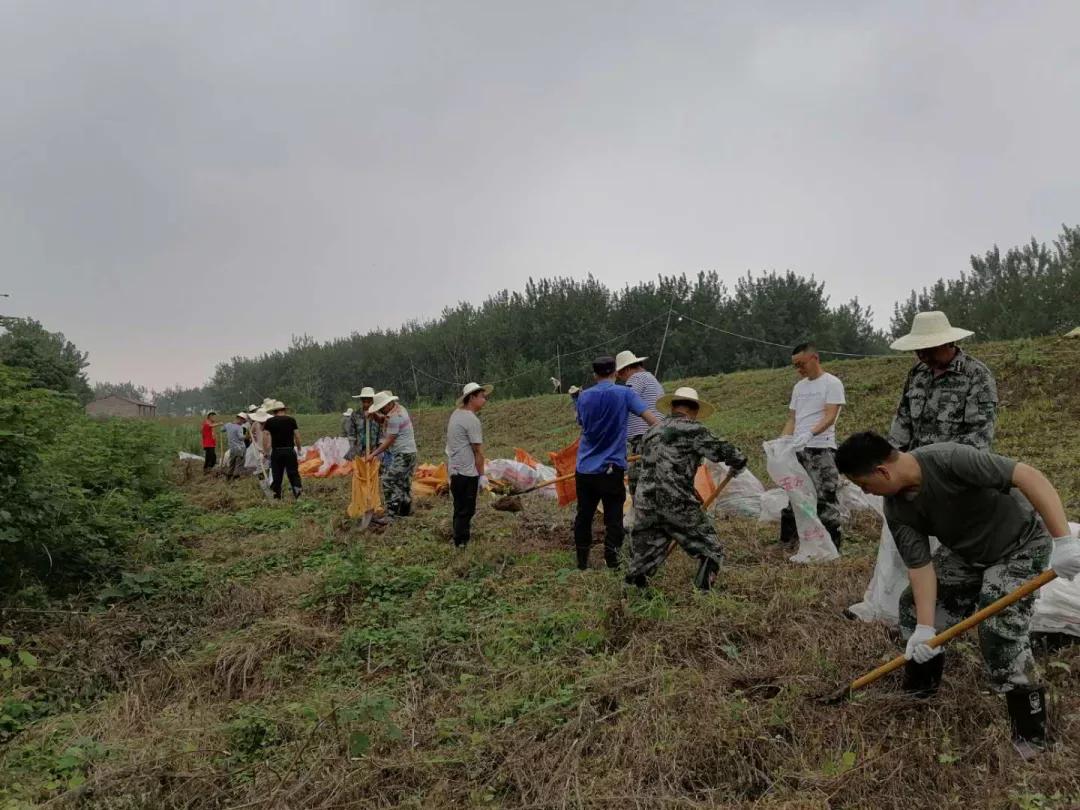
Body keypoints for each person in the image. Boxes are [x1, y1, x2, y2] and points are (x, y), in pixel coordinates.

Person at [836, 431, 1080, 754]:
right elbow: (921, 567)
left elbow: (1027, 475)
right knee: (912, 605)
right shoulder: (896, 508)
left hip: (1019, 545)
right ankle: (920, 689)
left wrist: (1064, 541)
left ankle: (1029, 731)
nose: (865, 491)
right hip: (967, 554)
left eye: (864, 484)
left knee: (998, 629)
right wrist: (925, 630)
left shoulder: (949, 459)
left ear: (883, 471)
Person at [625, 387, 748, 591]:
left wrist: (640, 502)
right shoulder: (694, 430)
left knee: (644, 559)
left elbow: (636, 472)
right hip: (677, 502)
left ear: (672, 407)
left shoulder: (650, 432)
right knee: (711, 549)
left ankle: (631, 596)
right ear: (695, 411)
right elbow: (728, 452)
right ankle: (703, 594)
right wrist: (739, 462)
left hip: (646, 503)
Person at [573, 355, 659, 571]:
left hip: (584, 468)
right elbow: (652, 419)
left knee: (584, 514)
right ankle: (613, 562)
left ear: (595, 375)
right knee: (613, 516)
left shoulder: (584, 397)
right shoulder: (625, 393)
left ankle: (582, 562)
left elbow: (581, 423)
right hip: (611, 467)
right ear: (614, 373)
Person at [888, 311, 998, 452]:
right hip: (914, 466)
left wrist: (932, 462)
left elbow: (978, 438)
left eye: (929, 350)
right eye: (918, 350)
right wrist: (893, 460)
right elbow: (902, 422)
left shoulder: (976, 375)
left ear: (949, 343)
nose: (923, 356)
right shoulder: (917, 373)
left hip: (954, 468)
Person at [778, 343, 846, 549]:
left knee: (825, 494)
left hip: (821, 448)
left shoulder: (831, 383)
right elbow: (792, 418)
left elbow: (830, 415)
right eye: (795, 366)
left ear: (814, 358)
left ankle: (832, 544)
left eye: (801, 364)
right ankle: (788, 541)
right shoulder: (799, 387)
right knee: (795, 494)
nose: (799, 369)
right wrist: (782, 441)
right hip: (798, 448)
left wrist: (810, 433)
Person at [446, 382, 491, 548]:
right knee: (466, 509)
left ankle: (458, 539)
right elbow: (477, 452)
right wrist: (482, 475)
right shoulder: (471, 420)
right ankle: (461, 543)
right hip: (466, 472)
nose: (484, 400)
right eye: (482, 397)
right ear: (472, 398)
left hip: (455, 469)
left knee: (459, 508)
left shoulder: (456, 414)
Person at [615, 349, 664, 497]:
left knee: (637, 480)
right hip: (656, 434)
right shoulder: (650, 378)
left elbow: (626, 400)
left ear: (628, 368)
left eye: (621, 374)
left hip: (643, 436)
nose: (622, 379)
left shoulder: (636, 379)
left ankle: (640, 511)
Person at [366, 391, 418, 518]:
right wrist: (375, 417)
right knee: (403, 482)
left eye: (382, 408)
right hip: (409, 453)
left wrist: (373, 454)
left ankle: (392, 514)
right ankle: (405, 511)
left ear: (389, 404)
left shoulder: (395, 416)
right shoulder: (399, 408)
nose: (381, 411)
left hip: (403, 455)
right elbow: (384, 419)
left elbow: (389, 441)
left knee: (388, 480)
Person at [262, 400, 303, 500]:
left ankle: (277, 497)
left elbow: (266, 437)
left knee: (277, 475)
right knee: (293, 474)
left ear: (274, 411)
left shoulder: (270, 422)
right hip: (289, 451)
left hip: (276, 452)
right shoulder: (291, 420)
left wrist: (266, 452)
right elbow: (297, 436)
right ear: (284, 410)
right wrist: (299, 449)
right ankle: (298, 495)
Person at [223, 413, 249, 481]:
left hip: (232, 448)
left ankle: (228, 476)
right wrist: (246, 437)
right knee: (239, 463)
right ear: (240, 419)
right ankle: (236, 477)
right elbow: (240, 438)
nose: (243, 423)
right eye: (243, 421)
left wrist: (226, 426)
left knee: (232, 463)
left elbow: (222, 429)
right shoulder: (239, 427)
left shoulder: (228, 424)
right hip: (240, 448)